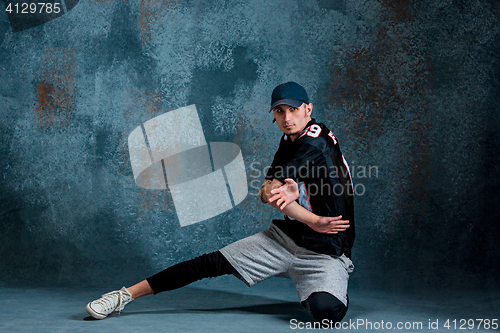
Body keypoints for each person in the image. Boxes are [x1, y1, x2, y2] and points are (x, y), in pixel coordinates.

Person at [85, 82, 355, 325]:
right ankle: (123, 296)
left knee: (326, 312)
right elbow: (266, 192)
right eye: (279, 111)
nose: (287, 117)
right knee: (209, 263)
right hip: (287, 240)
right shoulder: (289, 139)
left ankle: (316, 284)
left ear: (308, 109)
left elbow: (273, 194)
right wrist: (306, 216)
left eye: (293, 109)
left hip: (326, 252)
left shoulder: (315, 141)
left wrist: (310, 217)